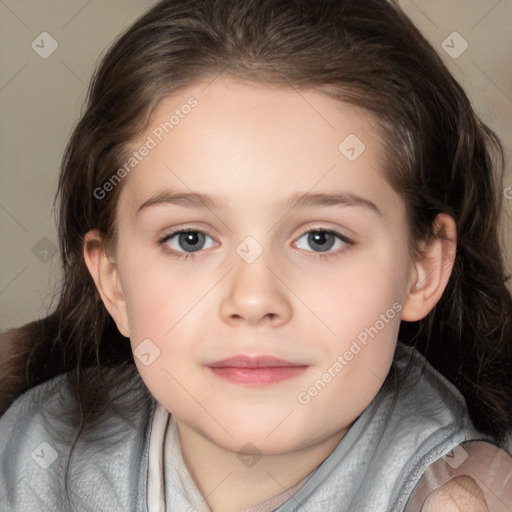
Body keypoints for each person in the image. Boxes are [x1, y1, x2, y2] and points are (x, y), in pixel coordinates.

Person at [1, 0, 511, 510]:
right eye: (190, 239)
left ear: (421, 270)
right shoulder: (34, 454)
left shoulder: (465, 496)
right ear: (112, 280)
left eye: (320, 239)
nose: (253, 300)